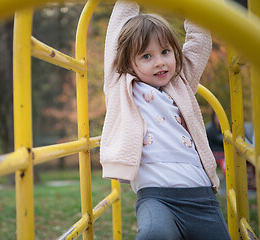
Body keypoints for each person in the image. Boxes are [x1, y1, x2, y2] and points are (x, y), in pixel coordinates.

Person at [100, 1, 230, 239]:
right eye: (147, 56)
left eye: (165, 52)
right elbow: (117, 29)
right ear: (129, 62)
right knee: (153, 234)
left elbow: (199, 42)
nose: (160, 62)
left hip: (201, 197)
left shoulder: (181, 83)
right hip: (156, 198)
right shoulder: (120, 86)